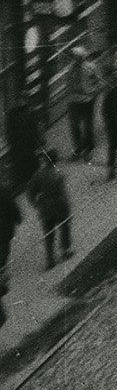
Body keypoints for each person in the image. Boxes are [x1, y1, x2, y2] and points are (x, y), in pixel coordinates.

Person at [29, 153, 73, 269]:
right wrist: (67, 208)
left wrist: (35, 203)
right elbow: (63, 194)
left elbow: (31, 192)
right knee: (64, 227)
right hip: (59, 205)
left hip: (45, 208)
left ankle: (50, 259)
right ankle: (65, 251)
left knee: (48, 234)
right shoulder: (58, 174)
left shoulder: (38, 175)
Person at [65, 40, 100, 162]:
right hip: (74, 100)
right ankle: (78, 148)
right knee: (74, 125)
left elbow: (97, 80)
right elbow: (68, 83)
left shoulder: (90, 67)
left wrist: (93, 91)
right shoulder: (70, 70)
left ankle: (88, 149)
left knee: (87, 124)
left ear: (81, 57)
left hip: (87, 99)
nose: (74, 59)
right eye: (73, 57)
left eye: (76, 57)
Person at [3, 93, 41, 193]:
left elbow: (34, 128)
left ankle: (33, 181)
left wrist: (36, 141)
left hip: (27, 143)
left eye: (21, 100)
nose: (19, 102)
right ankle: (23, 182)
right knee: (20, 164)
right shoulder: (12, 114)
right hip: (18, 144)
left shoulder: (29, 111)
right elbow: (9, 131)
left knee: (30, 162)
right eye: (17, 100)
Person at [0, 177, 22, 326]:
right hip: (3, 228)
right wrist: (18, 218)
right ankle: (2, 271)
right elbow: (12, 206)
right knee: (4, 250)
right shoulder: (3, 191)